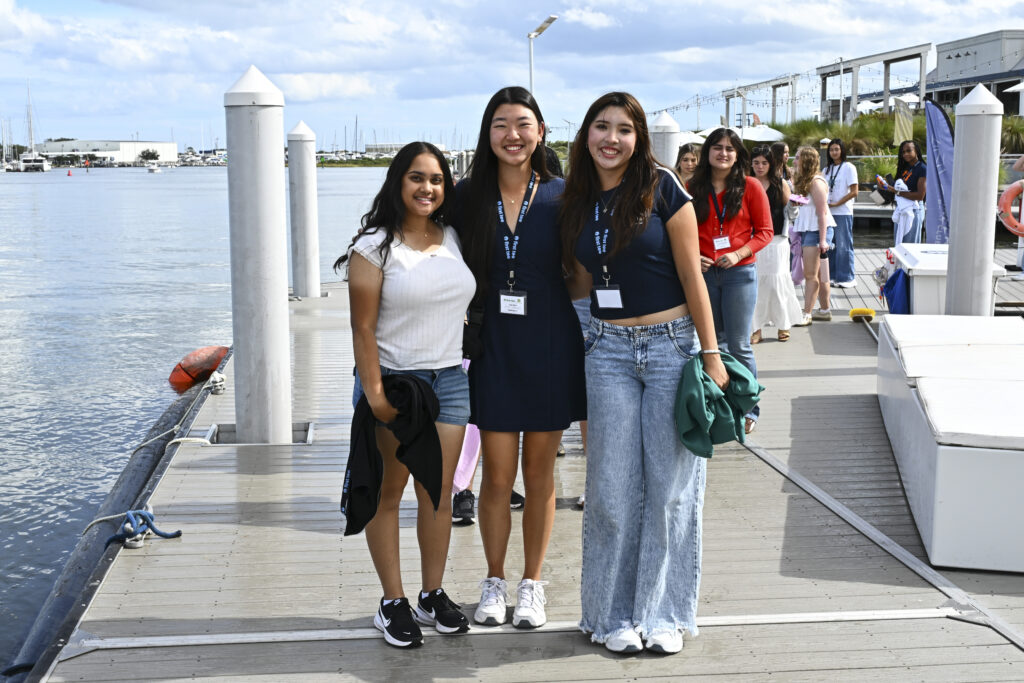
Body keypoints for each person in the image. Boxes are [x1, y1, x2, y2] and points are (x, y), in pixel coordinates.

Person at [560, 92, 728, 655]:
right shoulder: (576, 198)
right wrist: (584, 341)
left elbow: (693, 275)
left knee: (670, 490)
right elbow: (580, 282)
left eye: (624, 129)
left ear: (639, 138)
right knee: (609, 490)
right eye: (601, 127)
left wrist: (711, 354)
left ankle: (664, 613)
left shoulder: (663, 187)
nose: (612, 139)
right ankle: (609, 615)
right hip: (606, 349)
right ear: (586, 134)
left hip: (671, 347)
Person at [454, 86, 586, 630]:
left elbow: (583, 274)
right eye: (501, 124)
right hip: (493, 348)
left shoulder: (563, 194)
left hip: (551, 344)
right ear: (487, 133)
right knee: (496, 474)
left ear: (540, 132)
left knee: (539, 474)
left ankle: (532, 584)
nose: (513, 135)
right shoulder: (465, 196)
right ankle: (494, 580)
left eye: (523, 124)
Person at [337, 142, 477, 648]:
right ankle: (392, 601)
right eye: (417, 177)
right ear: (398, 181)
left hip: (450, 380)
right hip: (396, 384)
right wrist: (375, 395)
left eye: (436, 179)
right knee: (389, 494)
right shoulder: (374, 246)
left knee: (438, 493)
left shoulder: (453, 236)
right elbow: (362, 328)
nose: (427, 188)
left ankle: (431, 594)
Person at [689, 127, 773, 435]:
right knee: (712, 343)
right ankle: (719, 404)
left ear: (737, 155)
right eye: (717, 147)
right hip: (704, 274)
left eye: (729, 148)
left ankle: (749, 407)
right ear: (707, 152)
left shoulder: (750, 186)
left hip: (739, 273)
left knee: (738, 344)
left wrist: (739, 254)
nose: (723, 153)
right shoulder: (691, 187)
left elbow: (765, 232)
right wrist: (693, 257)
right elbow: (680, 232)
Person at [749, 146, 802, 343]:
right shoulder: (745, 183)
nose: (760, 166)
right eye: (756, 162)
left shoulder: (780, 183)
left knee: (778, 283)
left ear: (771, 164)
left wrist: (795, 207)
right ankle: (756, 328)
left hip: (777, 239)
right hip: (753, 240)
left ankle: (783, 324)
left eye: (764, 163)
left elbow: (791, 214)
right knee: (755, 285)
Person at [791, 146, 836, 325]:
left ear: (806, 160)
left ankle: (807, 313)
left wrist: (823, 240)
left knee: (810, 274)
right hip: (810, 229)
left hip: (817, 231)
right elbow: (808, 204)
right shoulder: (806, 180)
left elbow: (822, 213)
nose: (794, 161)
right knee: (819, 273)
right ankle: (824, 311)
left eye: (797, 158)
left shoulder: (816, 182)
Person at [823, 139, 859, 288]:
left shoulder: (849, 167)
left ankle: (847, 277)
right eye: (831, 150)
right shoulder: (826, 169)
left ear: (842, 150)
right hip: (828, 212)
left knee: (844, 245)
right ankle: (832, 275)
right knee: (830, 245)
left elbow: (854, 192)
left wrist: (837, 203)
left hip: (843, 212)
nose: (834, 152)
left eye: (836, 149)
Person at [895, 139, 927, 242]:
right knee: (899, 245)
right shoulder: (906, 168)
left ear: (916, 151)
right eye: (903, 152)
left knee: (910, 246)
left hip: (914, 209)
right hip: (902, 208)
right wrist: (885, 186)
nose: (905, 154)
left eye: (909, 151)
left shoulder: (922, 168)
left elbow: (920, 196)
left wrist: (897, 192)